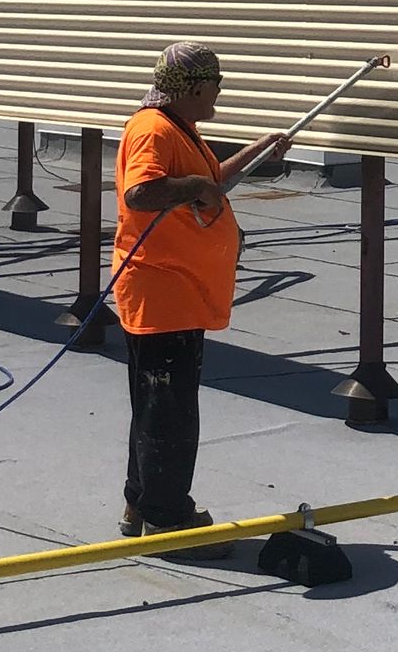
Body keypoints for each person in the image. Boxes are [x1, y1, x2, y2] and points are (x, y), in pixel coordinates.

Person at [113, 42, 288, 559]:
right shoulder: (153, 129)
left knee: (153, 407)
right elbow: (140, 194)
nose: (219, 94)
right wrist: (194, 185)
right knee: (169, 412)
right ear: (193, 89)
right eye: (216, 86)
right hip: (162, 291)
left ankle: (140, 505)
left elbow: (209, 185)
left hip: (178, 292)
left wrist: (253, 153)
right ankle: (169, 523)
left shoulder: (178, 129)